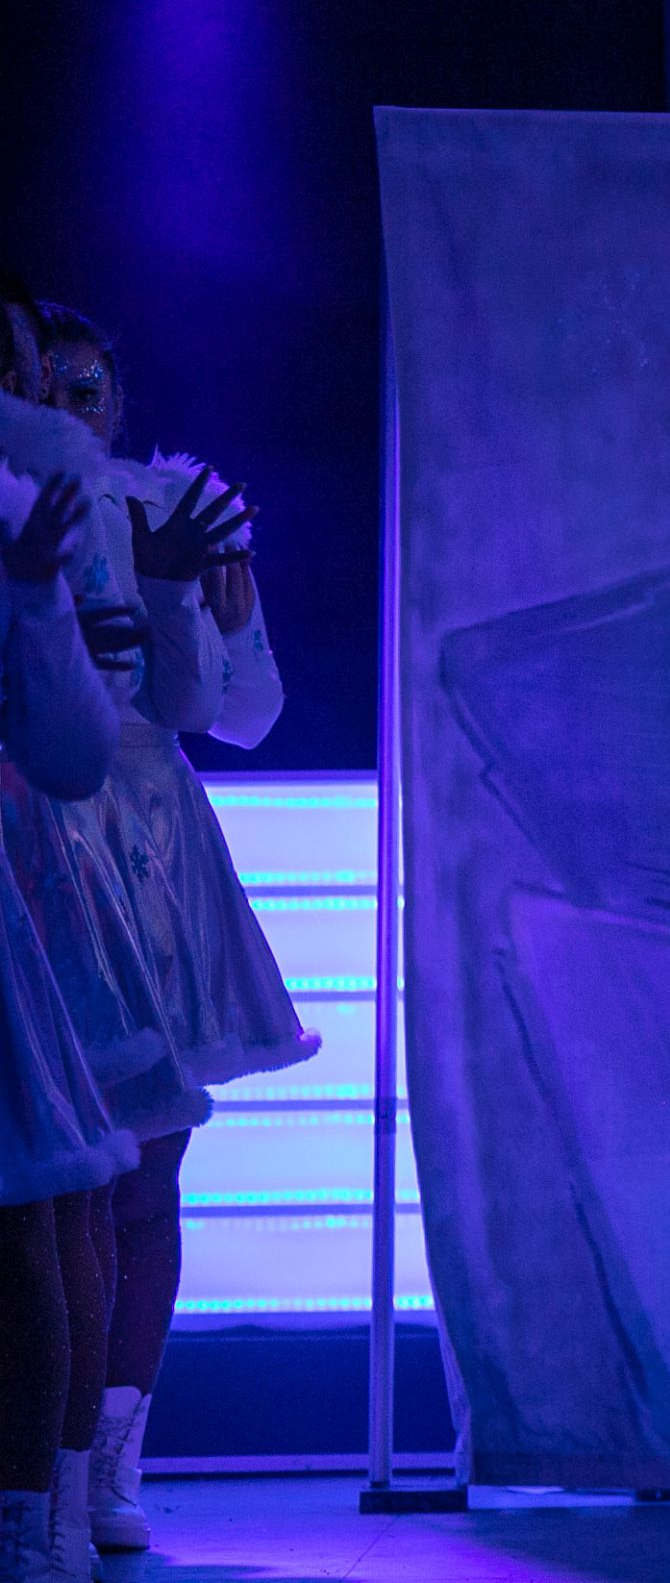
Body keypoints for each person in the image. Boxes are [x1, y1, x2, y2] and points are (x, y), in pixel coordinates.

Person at [29, 304, 303, 1557]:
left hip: (147, 836)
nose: (68, 405)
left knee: (147, 1167)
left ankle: (108, 1455)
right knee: (60, 1174)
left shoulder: (165, 504)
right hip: (45, 819)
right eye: (44, 383)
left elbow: (233, 710)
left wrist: (208, 600)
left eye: (89, 387)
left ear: (118, 401)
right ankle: (45, 1460)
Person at [0, 454, 138, 1583]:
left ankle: (47, 1513)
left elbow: (96, 737)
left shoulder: (35, 507)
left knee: (45, 1208)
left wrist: (39, 598)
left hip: (51, 857)